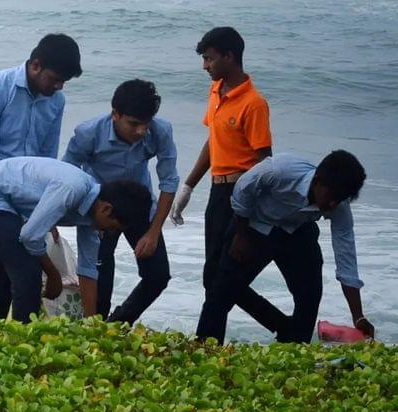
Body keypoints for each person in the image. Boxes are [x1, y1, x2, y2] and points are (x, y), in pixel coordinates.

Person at [0, 34, 83, 293]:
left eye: (63, 82)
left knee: (7, 284)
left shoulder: (56, 101)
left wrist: (43, 209)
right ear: (35, 65)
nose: (59, 87)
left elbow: (46, 160)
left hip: (19, 206)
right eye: (54, 79)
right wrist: (13, 209)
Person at [170, 27, 281, 333]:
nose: (205, 66)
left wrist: (250, 216)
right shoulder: (216, 91)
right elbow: (213, 140)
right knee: (213, 277)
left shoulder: (254, 103)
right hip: (217, 191)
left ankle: (209, 341)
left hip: (242, 191)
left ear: (229, 57)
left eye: (209, 58)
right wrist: (189, 185)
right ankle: (281, 325)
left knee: (224, 276)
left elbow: (265, 163)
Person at [196, 151, 374, 343]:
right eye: (331, 196)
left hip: (296, 230)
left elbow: (346, 257)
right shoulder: (279, 170)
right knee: (222, 290)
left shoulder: (339, 205)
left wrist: (358, 316)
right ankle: (206, 345)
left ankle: (295, 345)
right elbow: (242, 189)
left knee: (310, 293)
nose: (333, 204)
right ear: (317, 181)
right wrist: (241, 234)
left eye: (339, 199)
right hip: (254, 224)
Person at [0, 156, 151, 321]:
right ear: (106, 209)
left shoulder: (93, 213)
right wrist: (53, 275)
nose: (109, 232)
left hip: (8, 202)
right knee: (27, 272)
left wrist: (93, 325)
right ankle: (20, 342)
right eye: (113, 227)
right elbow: (30, 236)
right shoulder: (72, 189)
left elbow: (87, 270)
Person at [62, 80, 178, 323]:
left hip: (139, 209)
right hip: (102, 211)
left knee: (158, 276)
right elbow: (66, 175)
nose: (141, 132)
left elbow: (168, 182)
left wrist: (154, 232)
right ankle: (95, 331)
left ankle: (119, 323)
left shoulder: (161, 131)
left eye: (146, 124)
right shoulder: (89, 133)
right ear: (115, 114)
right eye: (134, 124)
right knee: (99, 281)